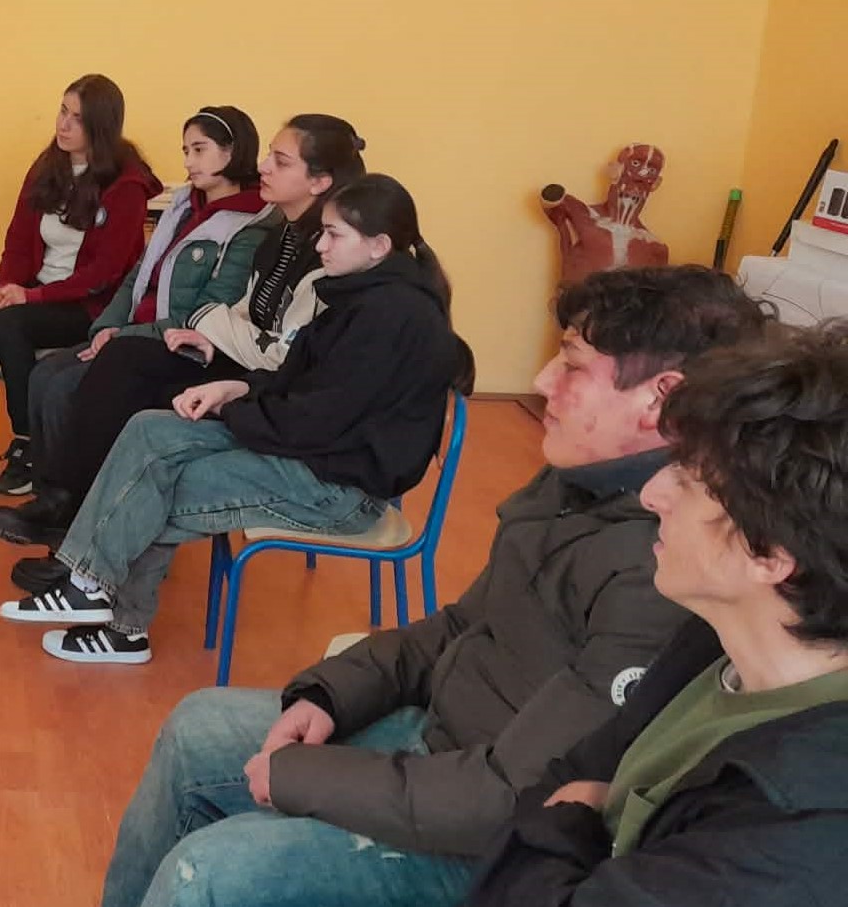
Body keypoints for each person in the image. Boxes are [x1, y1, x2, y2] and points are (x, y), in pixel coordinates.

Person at [92, 264, 769, 907]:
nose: (539, 380)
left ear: (660, 398)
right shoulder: (574, 482)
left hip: (492, 840)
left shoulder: (666, 564)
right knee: (197, 726)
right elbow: (461, 625)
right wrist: (331, 692)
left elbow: (514, 796)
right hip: (442, 746)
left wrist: (302, 775)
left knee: (214, 871)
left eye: (571, 365)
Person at [0, 174, 465, 663]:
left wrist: (232, 408)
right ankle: (89, 586)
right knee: (148, 428)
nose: (320, 246)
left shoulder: (390, 317)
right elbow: (298, 380)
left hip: (338, 487)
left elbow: (314, 420)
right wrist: (237, 387)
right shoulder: (361, 295)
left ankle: (118, 626)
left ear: (379, 246)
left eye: (334, 235)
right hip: (315, 454)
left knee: (159, 483)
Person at [466, 323, 848, 907]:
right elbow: (569, 769)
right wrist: (569, 824)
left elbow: (555, 807)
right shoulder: (713, 636)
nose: (651, 494)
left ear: (771, 554)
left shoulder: (796, 824)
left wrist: (565, 822)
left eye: (688, 480)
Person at [0, 114, 365, 559]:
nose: (264, 167)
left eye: (280, 161)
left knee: (116, 377)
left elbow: (280, 347)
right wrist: (115, 328)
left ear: (319, 181)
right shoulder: (278, 231)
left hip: (260, 384)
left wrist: (200, 328)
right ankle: (65, 513)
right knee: (66, 368)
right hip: (226, 352)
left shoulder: (294, 240)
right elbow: (176, 288)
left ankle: (76, 529)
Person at [0, 104, 275, 496]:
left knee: (63, 388)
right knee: (43, 376)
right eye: (186, 151)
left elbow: (207, 313)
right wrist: (108, 326)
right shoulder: (182, 207)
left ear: (232, 152)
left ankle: (73, 498)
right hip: (130, 331)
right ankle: (47, 490)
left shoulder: (247, 226)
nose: (188, 162)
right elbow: (135, 277)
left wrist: (123, 335)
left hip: (171, 342)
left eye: (199, 150)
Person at [0, 74, 161, 489]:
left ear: (100, 126)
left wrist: (31, 296)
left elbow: (104, 273)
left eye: (77, 118)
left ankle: (29, 443)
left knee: (9, 325)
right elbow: (19, 240)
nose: (63, 124)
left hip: (91, 307)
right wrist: (8, 287)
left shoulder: (125, 184)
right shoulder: (48, 167)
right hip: (37, 295)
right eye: (62, 110)